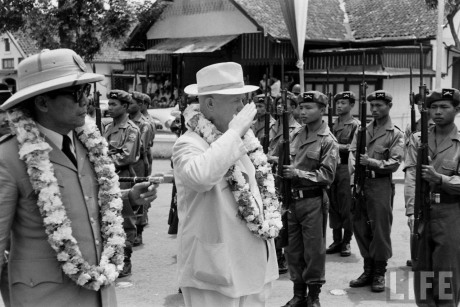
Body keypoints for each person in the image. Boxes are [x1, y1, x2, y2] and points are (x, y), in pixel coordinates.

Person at [0, 48, 158, 307]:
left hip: (100, 294)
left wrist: (128, 198)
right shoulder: (9, 157)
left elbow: (86, 199)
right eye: (76, 93)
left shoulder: (87, 142)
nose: (86, 101)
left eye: (87, 91)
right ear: (42, 102)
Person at [172, 62, 279, 307]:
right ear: (209, 104)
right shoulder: (188, 144)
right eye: (236, 101)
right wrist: (234, 132)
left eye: (243, 100)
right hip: (215, 272)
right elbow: (201, 177)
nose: (242, 108)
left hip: (253, 265)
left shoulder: (242, 140)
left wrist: (235, 134)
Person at [281, 90, 338, 307]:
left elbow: (328, 175)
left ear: (322, 110)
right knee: (293, 249)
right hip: (292, 200)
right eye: (300, 107)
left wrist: (298, 173)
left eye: (308, 108)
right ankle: (298, 293)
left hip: (313, 201)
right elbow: (281, 159)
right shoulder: (294, 134)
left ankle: (314, 295)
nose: (302, 112)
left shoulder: (328, 140)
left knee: (313, 250)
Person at [404, 88, 460, 306]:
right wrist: (410, 209)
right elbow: (410, 175)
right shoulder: (419, 139)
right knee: (422, 270)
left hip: (450, 212)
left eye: (444, 107)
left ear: (456, 109)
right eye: (433, 107)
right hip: (421, 211)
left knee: (447, 271)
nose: (437, 112)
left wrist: (441, 179)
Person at [348, 90, 404, 293]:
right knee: (360, 226)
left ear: (389, 106)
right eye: (372, 106)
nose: (375, 109)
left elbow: (394, 163)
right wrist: (354, 180)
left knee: (380, 229)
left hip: (380, 184)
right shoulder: (362, 130)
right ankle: (368, 269)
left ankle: (380, 272)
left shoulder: (395, 133)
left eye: (379, 105)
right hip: (360, 183)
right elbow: (353, 156)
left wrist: (370, 162)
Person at [103, 89, 142, 278]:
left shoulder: (131, 129)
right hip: (108, 176)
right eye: (108, 104)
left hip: (123, 176)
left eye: (113, 104)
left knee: (125, 219)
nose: (108, 107)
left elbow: (127, 156)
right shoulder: (108, 128)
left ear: (125, 107)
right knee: (109, 216)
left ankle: (125, 259)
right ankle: (112, 256)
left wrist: (102, 161)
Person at [267, 95, 301, 275]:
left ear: (294, 108)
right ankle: (273, 253)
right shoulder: (272, 126)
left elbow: (294, 156)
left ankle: (283, 256)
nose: (280, 107)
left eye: (285, 104)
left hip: (284, 177)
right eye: (278, 104)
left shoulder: (297, 129)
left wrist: (272, 158)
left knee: (284, 217)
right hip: (269, 176)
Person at [403, 91, 435, 267]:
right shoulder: (413, 129)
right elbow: (411, 170)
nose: (422, 107)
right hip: (419, 186)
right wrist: (410, 207)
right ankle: (416, 257)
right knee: (416, 225)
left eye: (425, 103)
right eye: (419, 104)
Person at [327, 91, 360, 257]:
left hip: (346, 167)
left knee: (346, 205)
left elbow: (354, 148)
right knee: (332, 203)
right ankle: (336, 240)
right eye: (337, 103)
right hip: (331, 167)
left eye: (343, 103)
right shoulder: (331, 124)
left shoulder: (356, 125)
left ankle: (347, 241)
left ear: (352, 105)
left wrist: (335, 146)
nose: (339, 106)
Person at [128, 91, 155, 246]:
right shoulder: (128, 121)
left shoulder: (145, 123)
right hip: (132, 159)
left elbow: (141, 147)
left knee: (141, 193)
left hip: (139, 159)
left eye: (132, 103)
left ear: (141, 105)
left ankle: (139, 229)